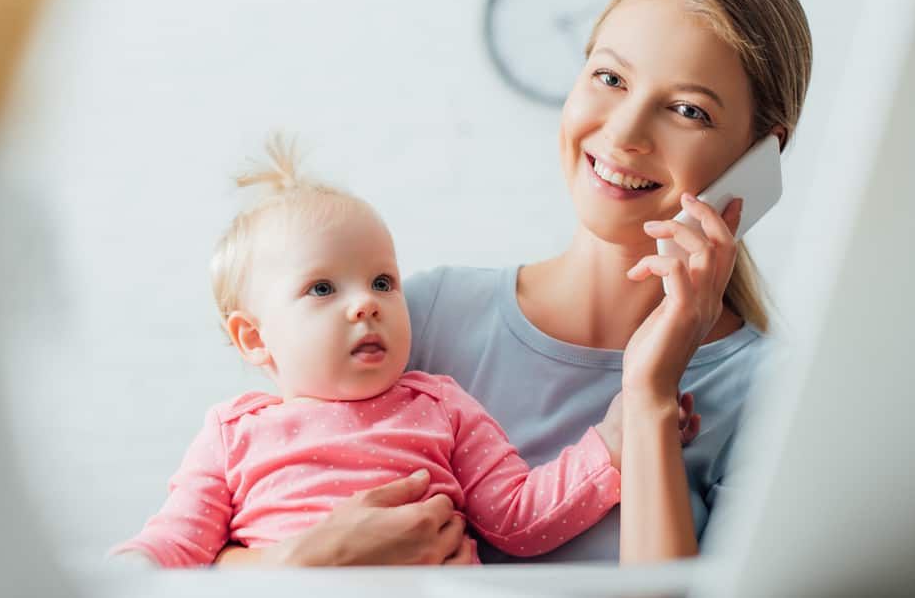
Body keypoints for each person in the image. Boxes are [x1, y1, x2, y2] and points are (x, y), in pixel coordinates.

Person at [216, 0, 812, 566]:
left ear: (760, 158)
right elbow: (216, 544)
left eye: (688, 110)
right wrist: (302, 562)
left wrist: (651, 398)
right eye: (610, 78)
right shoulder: (417, 319)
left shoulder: (774, 396)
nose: (625, 133)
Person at [110, 143, 700, 568]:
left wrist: (616, 444)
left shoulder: (440, 404)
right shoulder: (232, 434)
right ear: (254, 338)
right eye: (322, 289)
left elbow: (519, 520)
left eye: (383, 282)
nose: (365, 304)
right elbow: (177, 544)